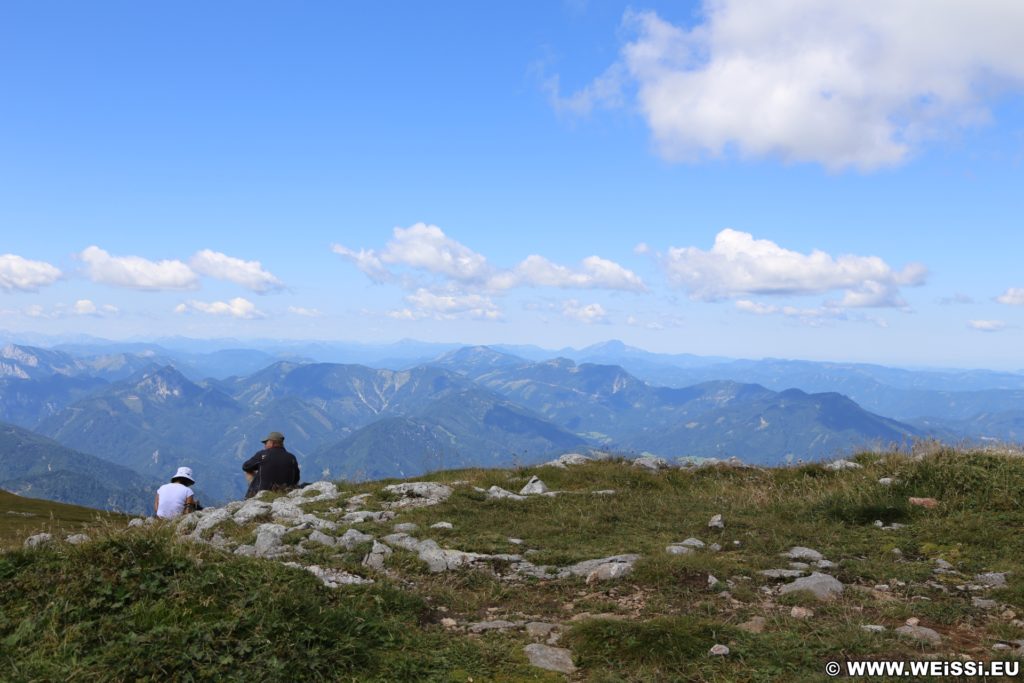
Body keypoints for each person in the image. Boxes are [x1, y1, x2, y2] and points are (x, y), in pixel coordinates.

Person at [242, 431, 300, 498]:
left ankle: (252, 495)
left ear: (272, 443)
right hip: (285, 493)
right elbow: (296, 479)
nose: (265, 445)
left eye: (266, 443)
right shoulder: (292, 457)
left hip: (262, 494)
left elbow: (245, 467)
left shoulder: (262, 454)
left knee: (248, 471)